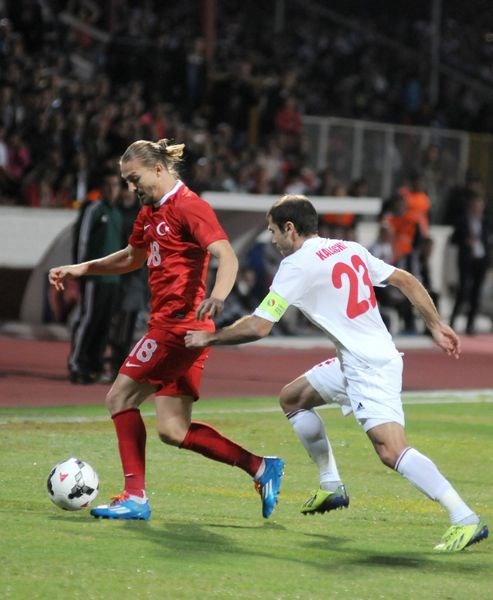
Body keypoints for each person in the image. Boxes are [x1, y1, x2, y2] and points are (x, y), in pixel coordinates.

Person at [185, 194, 489, 553]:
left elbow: (258, 326)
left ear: (290, 228)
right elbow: (405, 279)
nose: (273, 239)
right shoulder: (348, 248)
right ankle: (331, 485)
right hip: (358, 359)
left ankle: (464, 517)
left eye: (273, 231)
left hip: (368, 367)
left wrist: (209, 338)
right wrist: (436, 324)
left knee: (391, 450)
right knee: (293, 398)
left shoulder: (296, 265)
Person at [49, 138, 284, 521]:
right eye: (127, 181)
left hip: (178, 328)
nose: (131, 188)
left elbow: (226, 255)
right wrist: (83, 268)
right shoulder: (150, 211)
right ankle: (260, 467)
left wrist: (218, 296)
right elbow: (132, 257)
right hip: (181, 329)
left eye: (134, 179)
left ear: (158, 169)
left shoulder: (190, 206)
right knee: (173, 429)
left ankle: (135, 496)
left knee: (120, 398)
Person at [68, 170, 124, 383]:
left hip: (113, 279)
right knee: (88, 319)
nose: (112, 189)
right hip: (94, 277)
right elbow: (82, 241)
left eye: (115, 185)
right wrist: (81, 270)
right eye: (108, 185)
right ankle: (77, 363)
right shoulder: (93, 210)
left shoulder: (117, 214)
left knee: (104, 323)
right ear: (101, 188)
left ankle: (95, 365)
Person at [449, 192, 491, 335]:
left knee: (476, 293)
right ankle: (452, 321)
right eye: (475, 205)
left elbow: (487, 240)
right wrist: (465, 240)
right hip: (466, 260)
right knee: (463, 290)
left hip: (481, 260)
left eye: (479, 206)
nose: (477, 208)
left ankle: (470, 324)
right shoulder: (462, 221)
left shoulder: (486, 222)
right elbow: (454, 239)